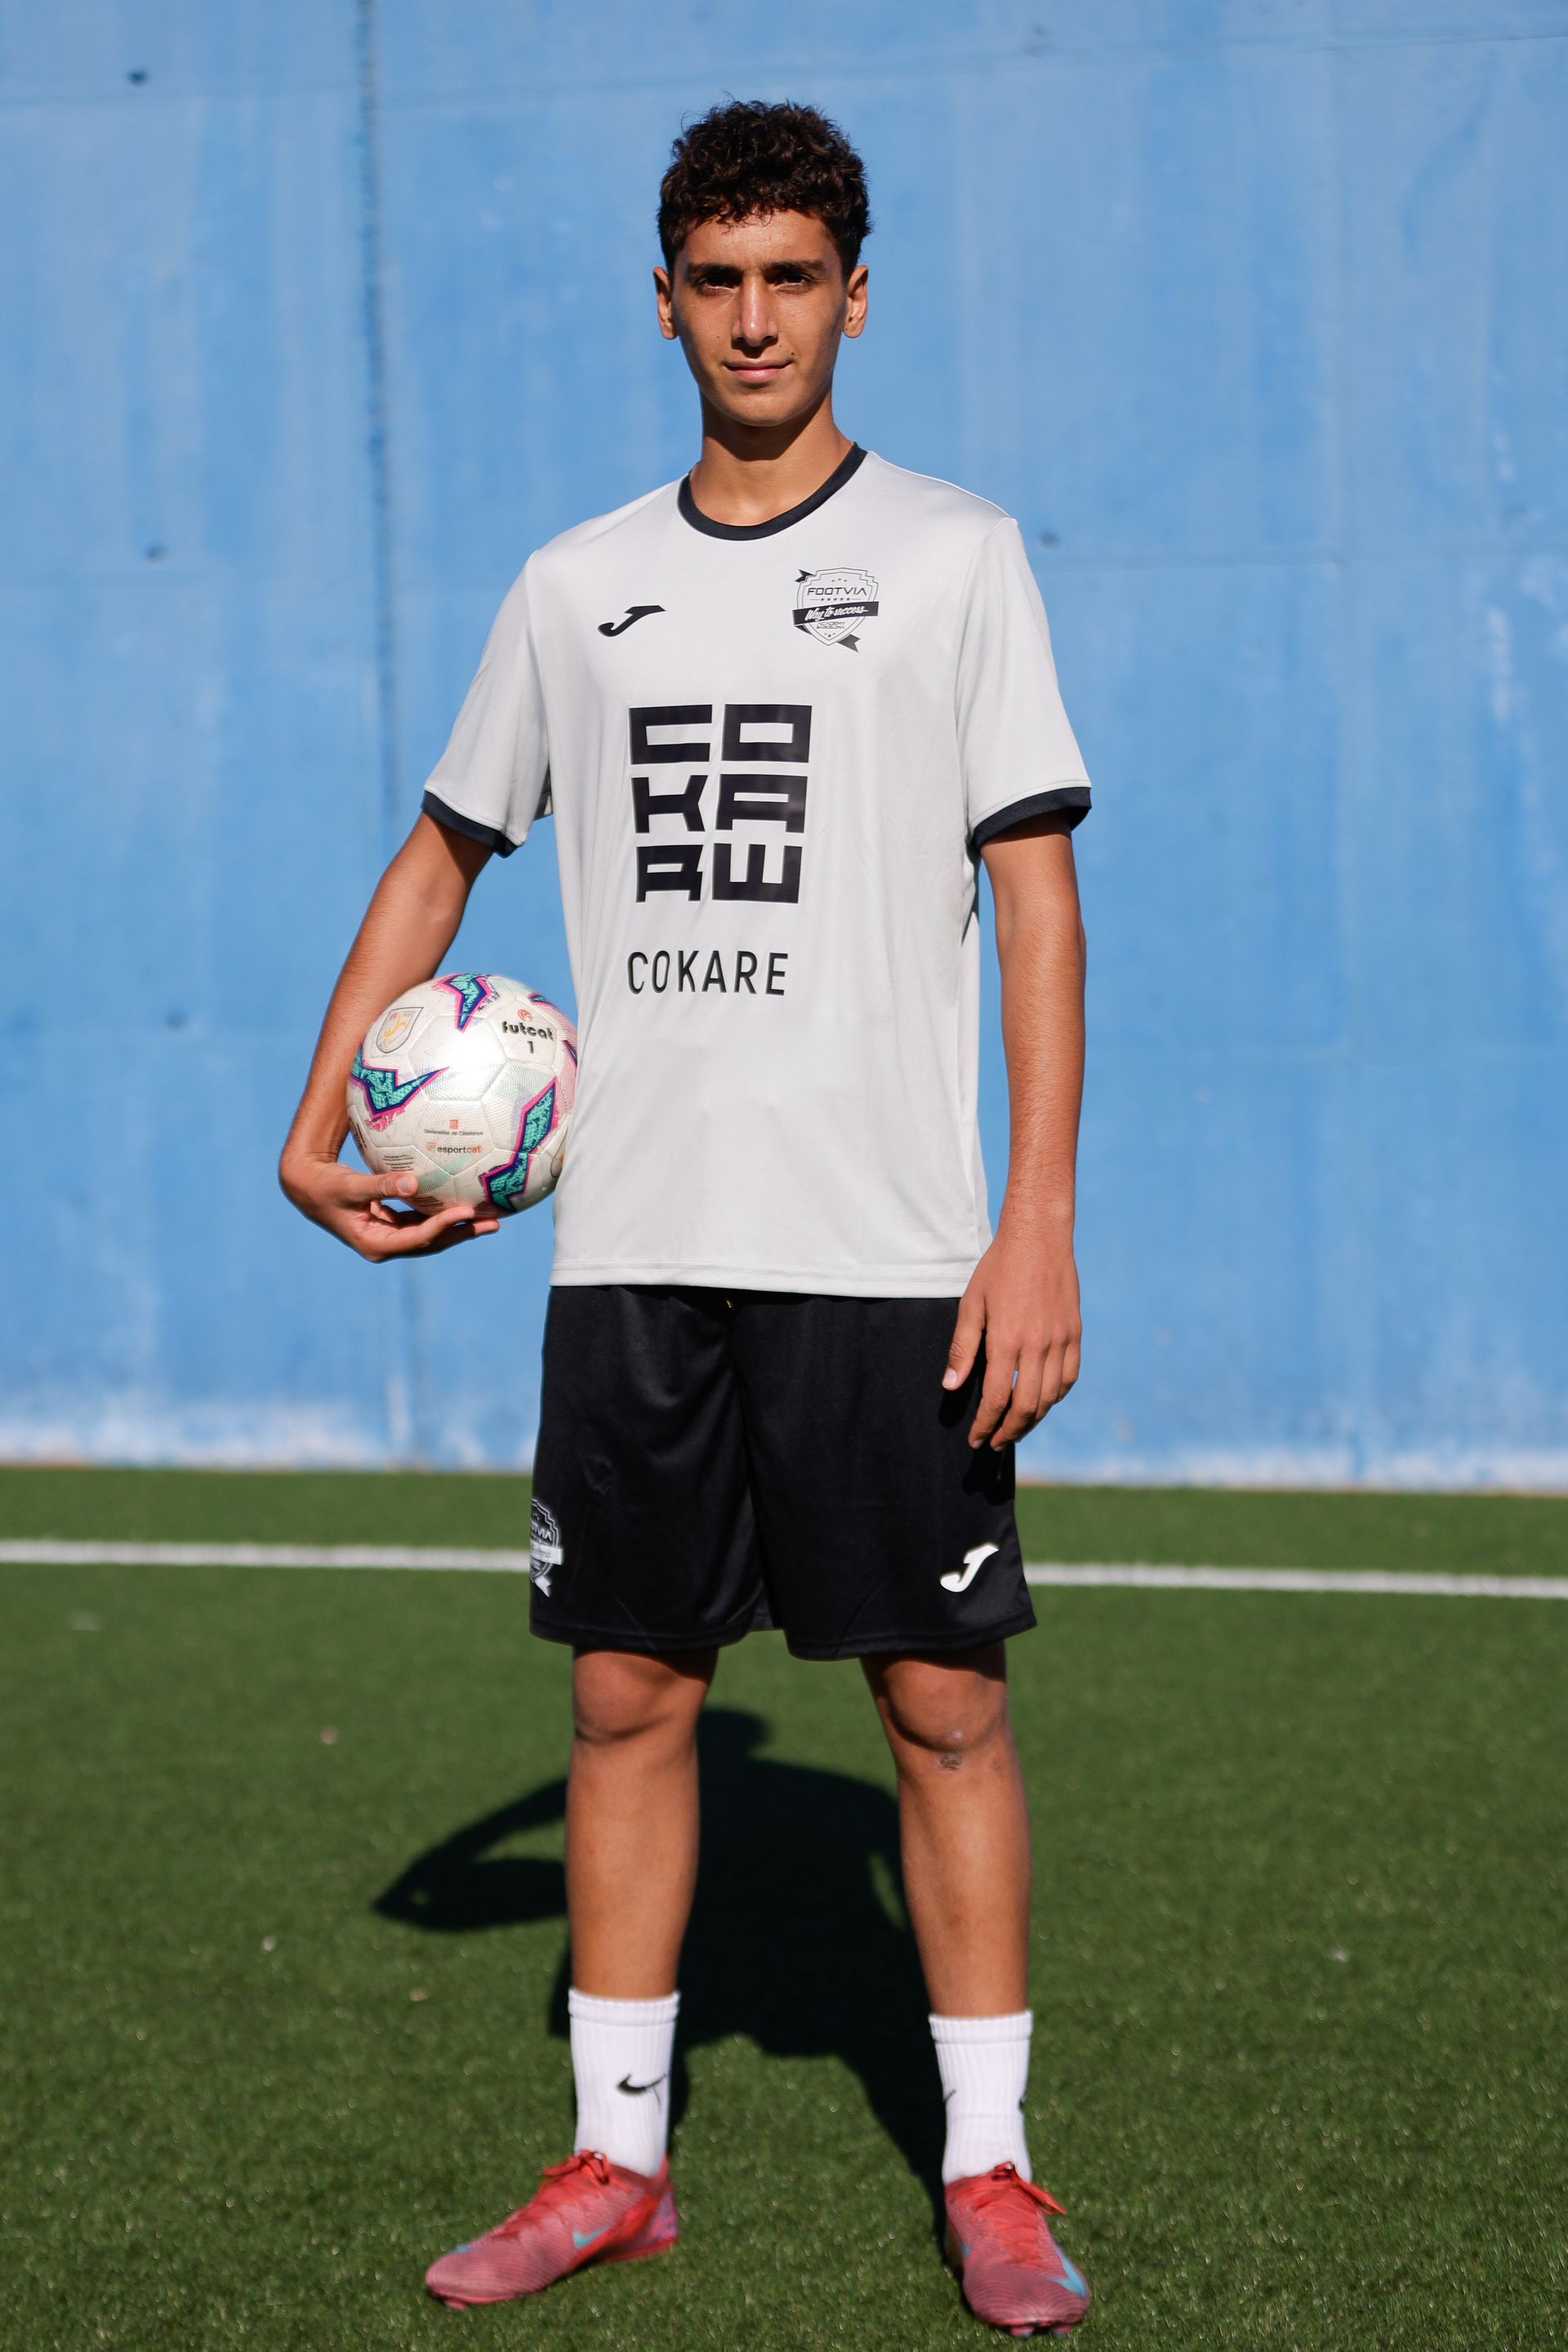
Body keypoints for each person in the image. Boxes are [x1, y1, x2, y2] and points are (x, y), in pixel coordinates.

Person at [279, 97, 1094, 2338]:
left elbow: (1035, 896)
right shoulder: (577, 584)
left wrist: (1034, 1220)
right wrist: (316, 1097)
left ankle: (996, 2170)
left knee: (940, 1702)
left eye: (792, 277)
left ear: (854, 292)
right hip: (635, 1242)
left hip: (889, 1249)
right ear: (666, 298)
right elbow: (447, 845)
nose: (754, 317)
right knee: (629, 1693)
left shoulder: (955, 556)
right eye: (716, 279)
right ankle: (614, 2163)